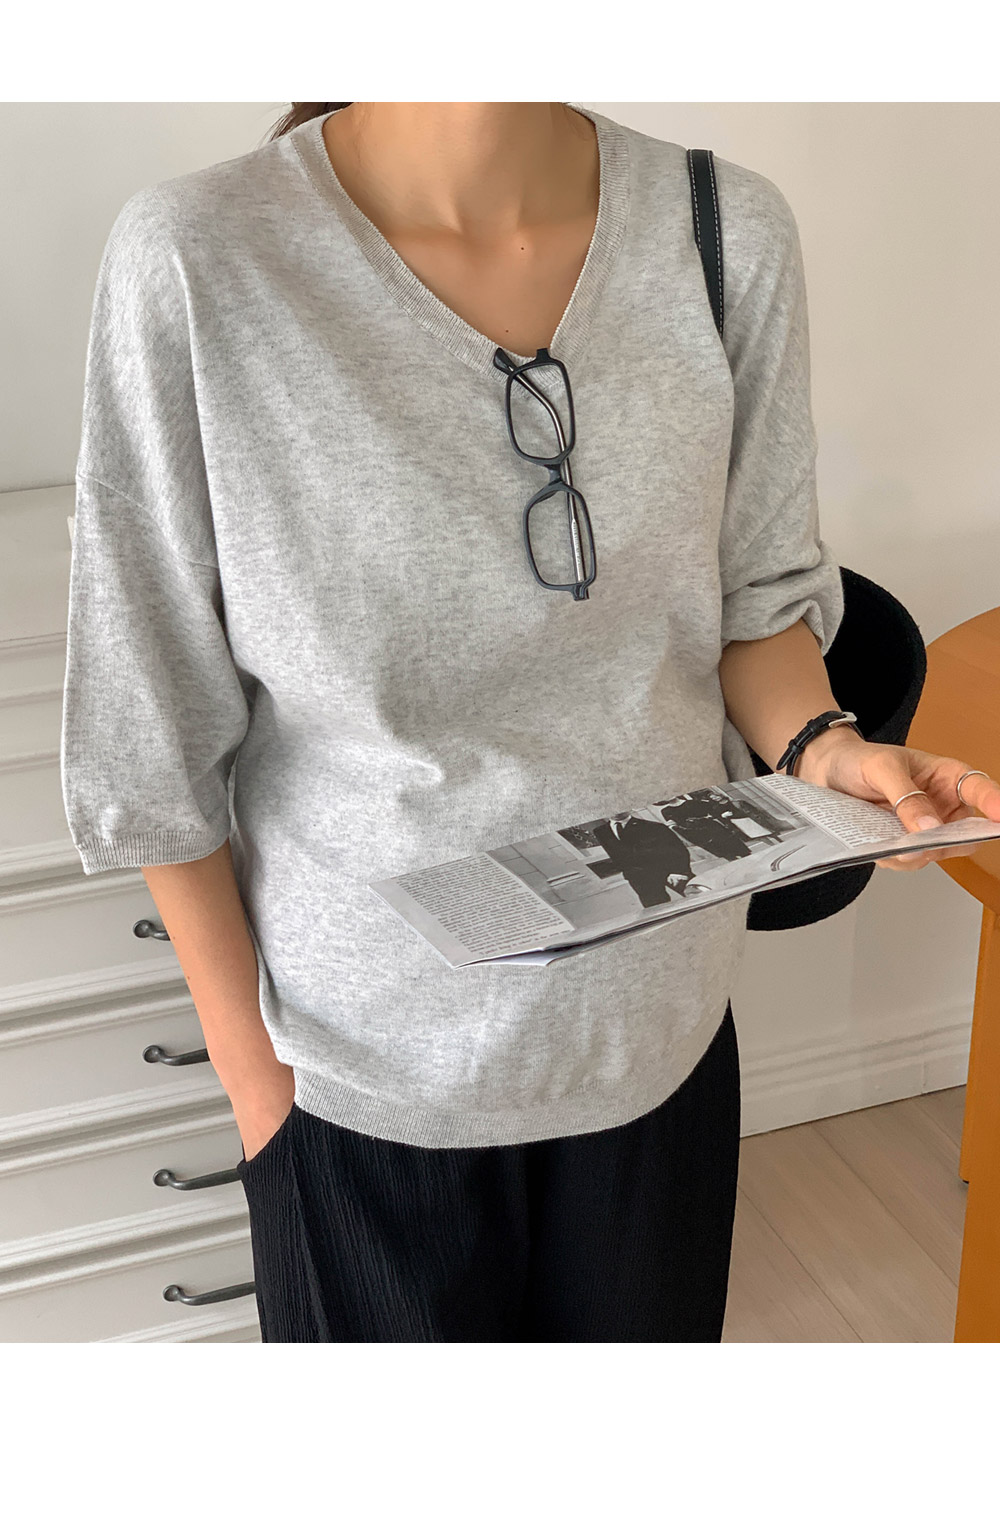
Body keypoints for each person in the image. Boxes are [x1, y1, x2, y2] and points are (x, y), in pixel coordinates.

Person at [61, 101, 1000, 1343]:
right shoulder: (200, 255)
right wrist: (262, 1101)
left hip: (660, 1037)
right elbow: (148, 728)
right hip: (362, 1088)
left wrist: (824, 746)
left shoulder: (724, 230)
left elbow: (753, 604)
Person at [592, 811, 700, 907]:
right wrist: (630, 873)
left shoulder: (653, 826)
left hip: (670, 872)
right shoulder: (601, 831)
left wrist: (679, 871)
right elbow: (616, 854)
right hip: (640, 878)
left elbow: (678, 849)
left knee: (699, 896)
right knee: (658, 910)